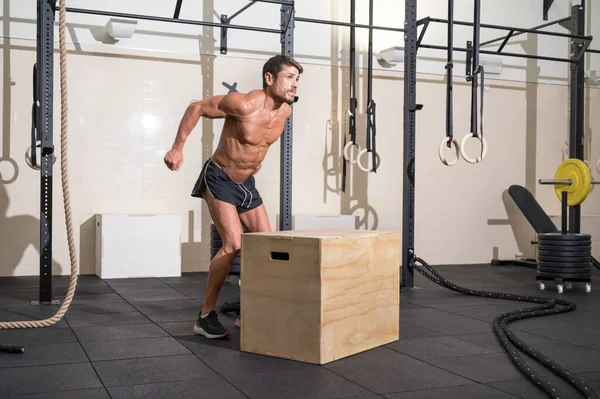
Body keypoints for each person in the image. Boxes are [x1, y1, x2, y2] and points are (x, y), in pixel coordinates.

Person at [163, 55, 303, 339]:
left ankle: (248, 307)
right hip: (219, 177)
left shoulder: (285, 112)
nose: (294, 84)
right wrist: (177, 148)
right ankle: (205, 316)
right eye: (289, 77)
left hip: (246, 183)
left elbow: (259, 142)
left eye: (297, 79)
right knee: (233, 244)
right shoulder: (243, 103)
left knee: (267, 244)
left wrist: (255, 161)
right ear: (268, 78)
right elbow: (197, 107)